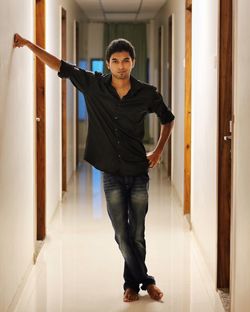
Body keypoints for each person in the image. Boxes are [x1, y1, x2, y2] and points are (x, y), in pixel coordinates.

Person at [13, 34, 175, 302]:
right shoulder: (93, 84)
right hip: (111, 171)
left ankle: (131, 285)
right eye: (115, 61)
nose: (121, 66)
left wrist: (158, 150)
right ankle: (147, 281)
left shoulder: (147, 92)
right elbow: (61, 65)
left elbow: (167, 119)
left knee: (137, 232)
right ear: (108, 64)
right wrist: (30, 46)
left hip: (137, 170)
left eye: (126, 60)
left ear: (133, 63)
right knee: (122, 233)